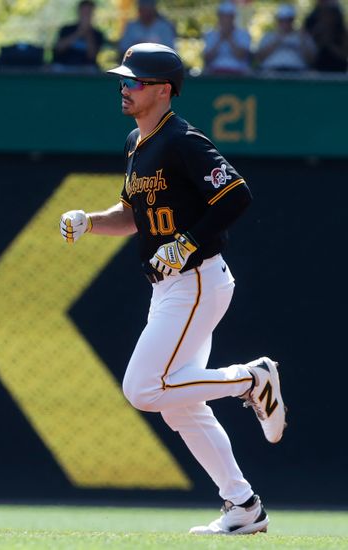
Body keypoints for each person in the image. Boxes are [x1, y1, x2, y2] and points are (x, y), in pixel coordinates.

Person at [59, 43, 287, 535]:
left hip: (197, 279)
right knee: (180, 406)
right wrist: (90, 222)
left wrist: (186, 243)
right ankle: (243, 506)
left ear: (163, 90)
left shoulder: (182, 139)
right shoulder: (136, 144)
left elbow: (236, 195)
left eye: (134, 81)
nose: (124, 87)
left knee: (142, 388)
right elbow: (132, 217)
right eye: (123, 79)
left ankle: (251, 379)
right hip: (171, 287)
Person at [255, 4, 316, 72]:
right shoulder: (268, 36)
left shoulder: (303, 36)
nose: (285, 23)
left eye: (288, 20)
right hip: (271, 72)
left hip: (297, 73)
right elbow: (259, 58)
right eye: (281, 20)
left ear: (293, 20)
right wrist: (276, 41)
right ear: (277, 20)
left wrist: (303, 42)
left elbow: (311, 60)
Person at [202, 2, 252, 75]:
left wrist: (229, 38)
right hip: (215, 74)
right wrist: (219, 40)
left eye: (228, 17)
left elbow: (242, 56)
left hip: (238, 75)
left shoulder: (244, 34)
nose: (225, 20)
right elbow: (207, 58)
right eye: (223, 17)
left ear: (233, 17)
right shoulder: (210, 34)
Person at [53, 0, 105, 69]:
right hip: (64, 66)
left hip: (86, 69)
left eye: (88, 12)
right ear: (78, 12)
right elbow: (58, 49)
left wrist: (88, 34)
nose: (85, 15)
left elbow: (92, 56)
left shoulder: (98, 34)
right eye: (84, 12)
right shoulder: (66, 29)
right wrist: (78, 33)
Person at [304, 0, 348, 72]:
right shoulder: (312, 28)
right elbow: (310, 56)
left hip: (339, 70)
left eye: (331, 14)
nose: (328, 17)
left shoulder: (342, 32)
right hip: (318, 70)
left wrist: (329, 44)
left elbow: (344, 55)